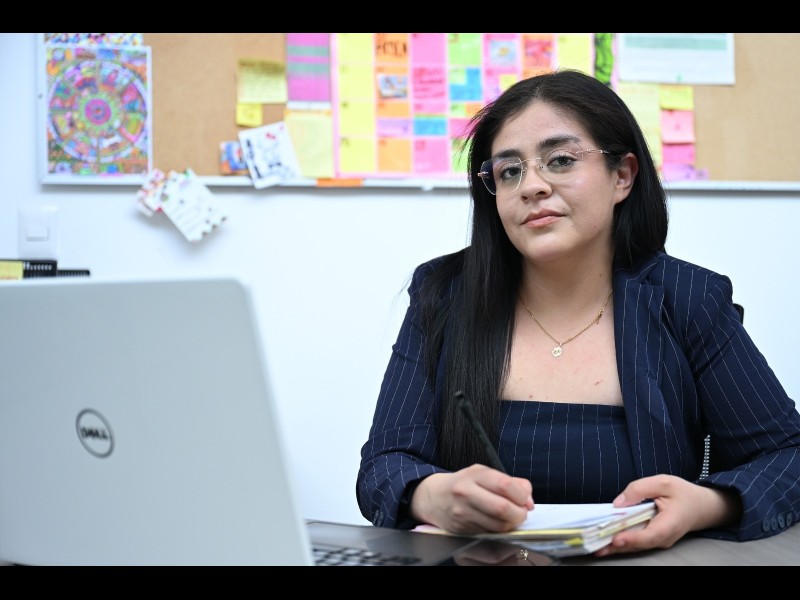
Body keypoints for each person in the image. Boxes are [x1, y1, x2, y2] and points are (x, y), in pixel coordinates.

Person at [356, 69, 800, 557]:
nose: (531, 186)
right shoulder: (444, 295)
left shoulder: (688, 298)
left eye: (561, 160)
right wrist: (429, 494)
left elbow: (787, 457)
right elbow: (384, 464)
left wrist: (707, 504)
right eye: (509, 171)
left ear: (622, 176)